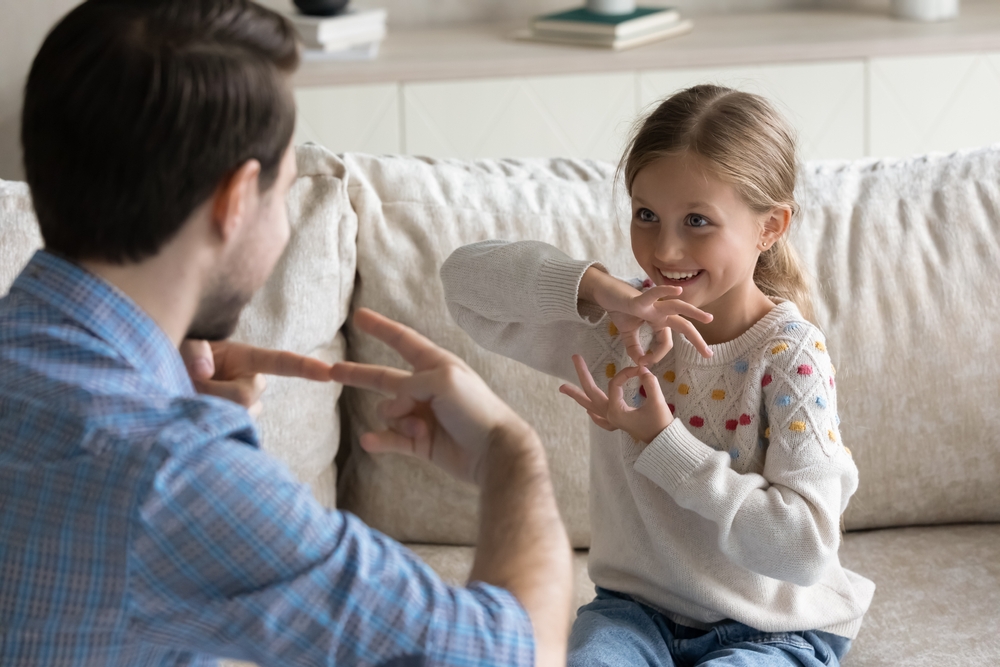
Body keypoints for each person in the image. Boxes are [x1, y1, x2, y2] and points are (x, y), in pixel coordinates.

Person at [0, 1, 572, 665]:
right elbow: (516, 651)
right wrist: (512, 450)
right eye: (284, 195)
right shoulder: (175, 477)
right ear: (236, 198)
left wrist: (161, 382)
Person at [440, 85, 875, 667]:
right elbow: (463, 284)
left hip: (770, 629)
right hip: (632, 614)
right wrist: (595, 288)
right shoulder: (615, 328)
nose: (666, 249)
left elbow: (804, 549)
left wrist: (663, 443)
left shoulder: (790, 357)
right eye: (647, 215)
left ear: (770, 227)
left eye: (697, 220)